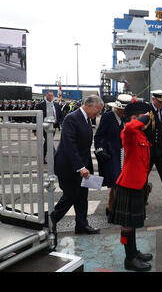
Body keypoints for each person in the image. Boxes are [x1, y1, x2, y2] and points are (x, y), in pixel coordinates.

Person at [50, 95, 104, 250]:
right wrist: (80, 167)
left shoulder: (87, 119)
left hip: (82, 165)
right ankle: (51, 220)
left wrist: (87, 165)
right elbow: (69, 145)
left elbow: (84, 146)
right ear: (90, 106)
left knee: (82, 196)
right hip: (68, 166)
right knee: (71, 195)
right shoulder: (71, 118)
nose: (97, 115)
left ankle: (81, 224)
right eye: (97, 111)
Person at [108, 101, 153, 272]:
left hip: (138, 184)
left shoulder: (141, 135)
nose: (144, 121)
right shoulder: (129, 132)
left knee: (132, 223)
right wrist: (144, 118)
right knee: (127, 225)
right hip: (128, 185)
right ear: (133, 119)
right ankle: (129, 259)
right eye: (138, 118)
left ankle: (134, 253)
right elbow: (128, 128)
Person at [94, 94, 132, 216]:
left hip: (126, 154)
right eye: (123, 110)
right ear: (117, 108)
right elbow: (99, 135)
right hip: (112, 154)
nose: (124, 112)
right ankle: (118, 208)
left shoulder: (128, 119)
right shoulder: (107, 117)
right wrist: (100, 149)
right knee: (117, 181)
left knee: (121, 181)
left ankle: (111, 206)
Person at [33, 91, 63, 164]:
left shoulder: (56, 105)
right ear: (46, 95)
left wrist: (60, 123)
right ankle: (56, 156)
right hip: (44, 126)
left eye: (52, 95)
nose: (51, 97)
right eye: (49, 95)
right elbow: (35, 117)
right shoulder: (40, 105)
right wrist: (34, 129)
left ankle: (43, 158)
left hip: (53, 126)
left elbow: (60, 115)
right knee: (48, 141)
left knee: (48, 142)